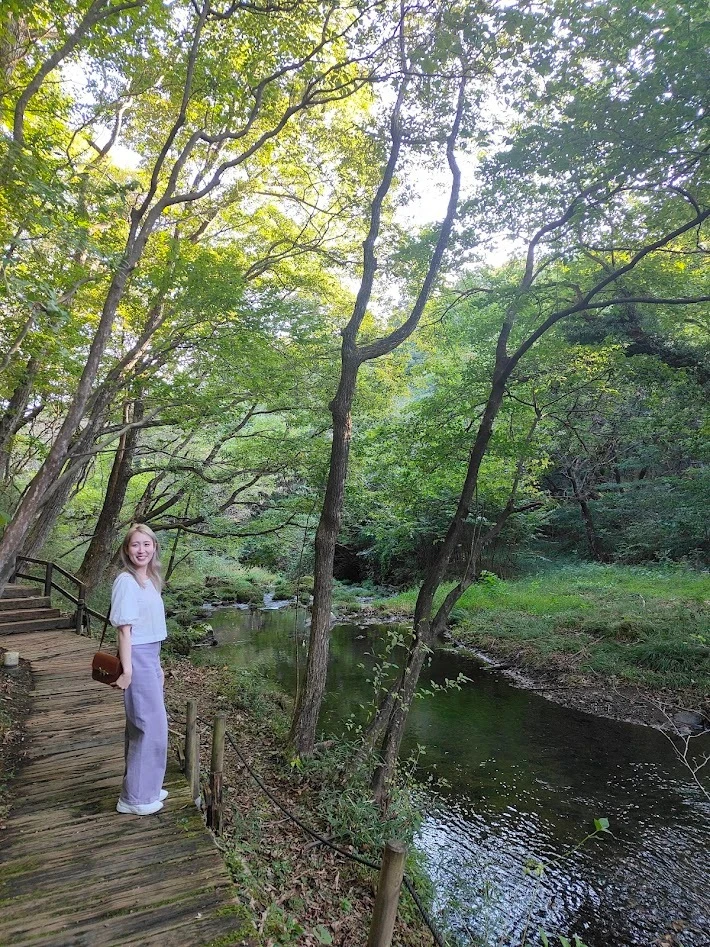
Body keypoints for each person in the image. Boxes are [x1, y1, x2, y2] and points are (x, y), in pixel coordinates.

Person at [110, 523, 169, 816]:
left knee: (151, 724)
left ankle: (148, 785)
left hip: (151, 655)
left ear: (154, 547)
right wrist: (128, 670)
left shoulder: (151, 579)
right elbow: (124, 630)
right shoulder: (126, 581)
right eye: (135, 545)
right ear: (126, 549)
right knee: (147, 725)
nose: (141, 550)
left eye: (146, 544)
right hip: (137, 657)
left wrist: (156, 668)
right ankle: (134, 798)